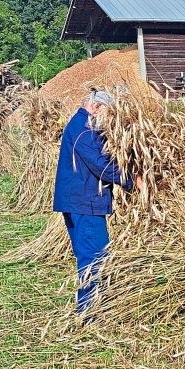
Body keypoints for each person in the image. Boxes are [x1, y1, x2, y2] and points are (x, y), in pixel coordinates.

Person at [53, 90, 136, 314]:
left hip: (78, 202)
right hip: (85, 203)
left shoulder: (80, 125)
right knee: (95, 257)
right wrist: (133, 179)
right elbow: (101, 165)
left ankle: (89, 308)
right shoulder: (85, 128)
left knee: (88, 255)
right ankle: (90, 312)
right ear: (97, 107)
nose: (108, 121)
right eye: (108, 114)